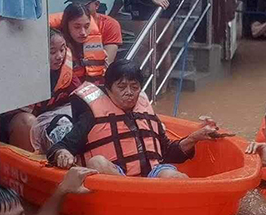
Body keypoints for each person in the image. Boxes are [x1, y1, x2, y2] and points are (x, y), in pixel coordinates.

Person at [46, 60, 219, 178]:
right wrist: (63, 153)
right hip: (118, 179)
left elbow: (166, 152)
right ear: (108, 89)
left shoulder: (147, 113)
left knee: (172, 176)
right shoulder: (91, 116)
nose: (129, 92)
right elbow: (62, 146)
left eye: (134, 87)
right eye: (121, 87)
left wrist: (194, 138)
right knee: (97, 162)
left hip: (152, 175)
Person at [1, 29, 82, 152]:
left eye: (62, 49)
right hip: (15, 124)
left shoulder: (66, 72)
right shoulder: (20, 72)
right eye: (52, 51)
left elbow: (82, 97)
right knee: (27, 122)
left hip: (46, 121)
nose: (59, 56)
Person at [49, 0, 123, 66]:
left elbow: (106, 63)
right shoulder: (63, 23)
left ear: (97, 5)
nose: (80, 9)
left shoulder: (110, 25)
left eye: (84, 5)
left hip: (94, 77)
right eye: (75, 4)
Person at [60, 3, 109, 83]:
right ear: (66, 25)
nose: (83, 32)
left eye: (86, 26)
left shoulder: (96, 47)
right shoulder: (58, 49)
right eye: (77, 27)